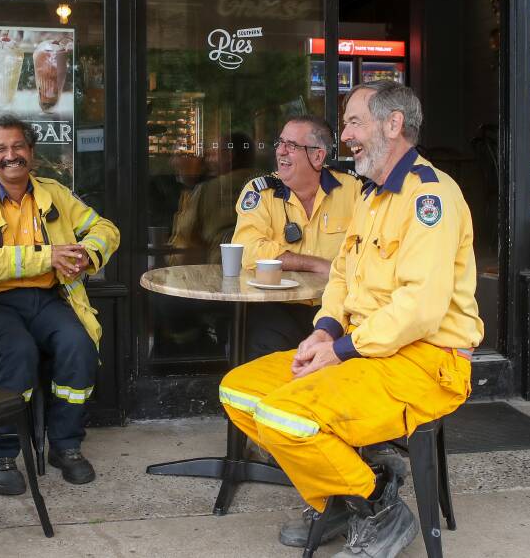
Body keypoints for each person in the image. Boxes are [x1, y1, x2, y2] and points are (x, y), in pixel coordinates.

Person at [218, 81, 484, 558]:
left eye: (354, 122)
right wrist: (325, 330)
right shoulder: (371, 195)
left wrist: (339, 351)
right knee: (240, 391)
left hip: (426, 361)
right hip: (364, 350)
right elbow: (342, 275)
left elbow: (419, 308)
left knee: (285, 414)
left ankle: (379, 507)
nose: (345, 135)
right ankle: (351, 494)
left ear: (393, 124)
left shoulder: (431, 198)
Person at [0, 115, 120, 494]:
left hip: (48, 299)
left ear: (31, 152)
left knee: (79, 346)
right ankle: (0, 454)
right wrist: (45, 256)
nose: (11, 155)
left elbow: (106, 229)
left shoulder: (55, 193)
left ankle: (65, 445)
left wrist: (88, 254)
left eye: (18, 146)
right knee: (16, 352)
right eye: (1, 149)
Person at [230, 115, 363, 359]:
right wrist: (316, 264)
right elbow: (248, 251)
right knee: (268, 368)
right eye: (280, 143)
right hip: (277, 308)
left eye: (291, 146)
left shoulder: (352, 190)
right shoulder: (260, 191)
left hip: (338, 309)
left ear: (317, 156)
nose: (281, 151)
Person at [168, 132, 258, 266]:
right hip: (265, 272)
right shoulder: (272, 186)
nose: (209, 160)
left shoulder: (206, 191)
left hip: (220, 273)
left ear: (229, 156)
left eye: (215, 153)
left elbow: (184, 244)